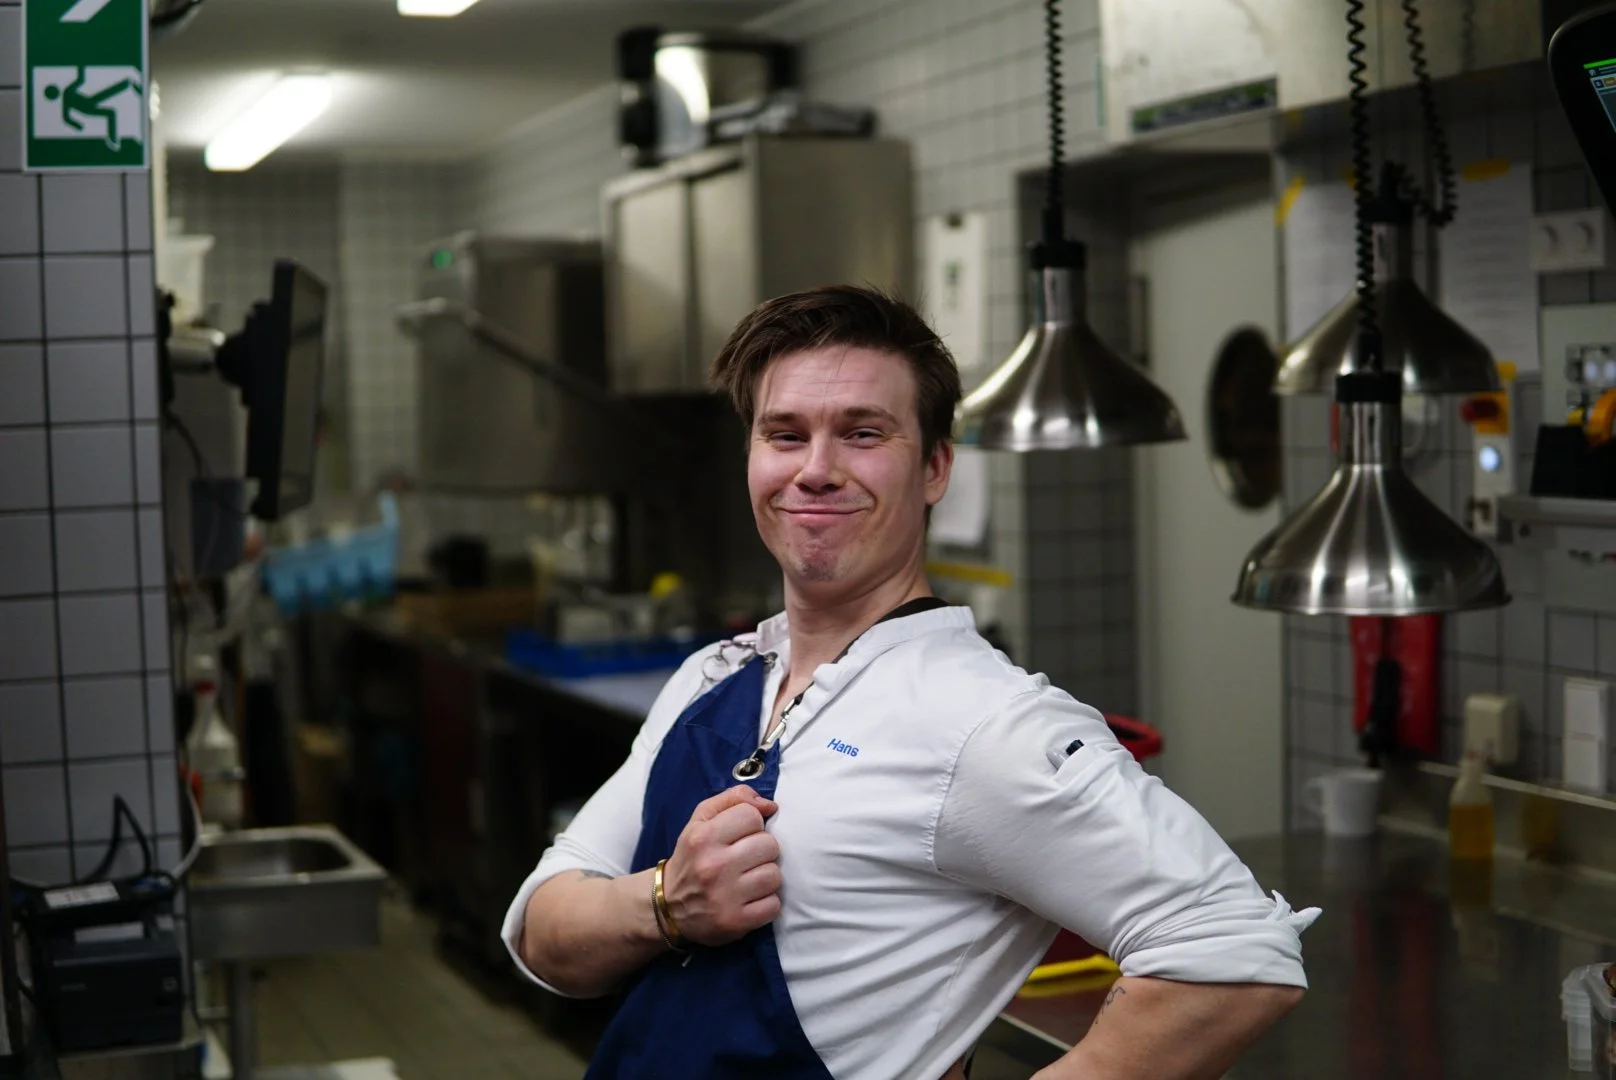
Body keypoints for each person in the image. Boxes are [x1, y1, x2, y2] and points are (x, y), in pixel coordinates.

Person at [503, 285, 1319, 1080]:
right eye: (784, 434)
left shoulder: (983, 721)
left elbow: (1234, 951)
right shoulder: (711, 678)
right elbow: (542, 934)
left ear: (934, 467)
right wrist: (664, 904)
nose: (816, 470)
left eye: (862, 433)